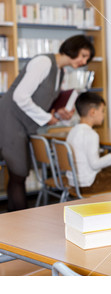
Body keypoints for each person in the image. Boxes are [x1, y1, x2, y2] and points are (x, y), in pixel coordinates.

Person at [0, 34, 95, 211]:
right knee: (19, 173)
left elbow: (39, 102)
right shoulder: (44, 62)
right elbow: (20, 96)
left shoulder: (60, 72)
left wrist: (58, 113)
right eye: (83, 55)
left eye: (87, 58)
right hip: (9, 120)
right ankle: (19, 222)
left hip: (23, 124)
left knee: (17, 174)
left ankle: (12, 222)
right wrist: (46, 118)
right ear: (71, 48)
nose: (84, 61)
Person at [66, 92, 111, 194]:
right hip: (88, 185)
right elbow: (95, 165)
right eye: (102, 111)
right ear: (93, 112)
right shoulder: (91, 134)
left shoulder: (72, 131)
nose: (103, 114)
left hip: (74, 183)